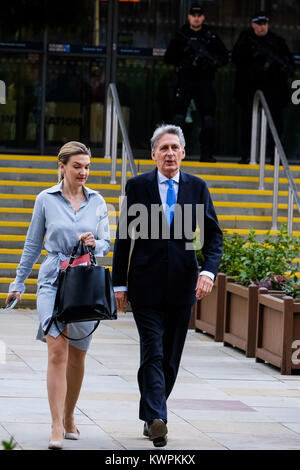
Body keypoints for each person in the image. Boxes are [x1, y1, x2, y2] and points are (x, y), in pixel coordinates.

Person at [112, 124, 223, 447]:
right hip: (144, 286)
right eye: (164, 148)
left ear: (184, 153)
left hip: (183, 285)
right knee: (153, 351)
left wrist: (208, 272)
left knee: (170, 356)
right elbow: (123, 238)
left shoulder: (197, 188)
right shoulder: (137, 186)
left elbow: (214, 236)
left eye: (175, 147)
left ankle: (151, 415)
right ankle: (159, 417)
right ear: (154, 154)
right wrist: (119, 283)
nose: (170, 153)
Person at [5, 141, 110, 449]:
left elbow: (107, 242)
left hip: (83, 280)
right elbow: (32, 244)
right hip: (52, 279)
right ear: (61, 166)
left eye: (87, 167)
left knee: (78, 354)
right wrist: (18, 281)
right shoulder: (45, 200)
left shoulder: (98, 201)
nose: (83, 172)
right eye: (77, 166)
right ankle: (55, 425)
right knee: (57, 351)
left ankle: (69, 415)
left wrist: (95, 243)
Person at [164, 2, 228, 162]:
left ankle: (206, 154)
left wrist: (208, 61)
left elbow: (223, 58)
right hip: (185, 80)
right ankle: (174, 154)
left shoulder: (210, 36)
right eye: (194, 16)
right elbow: (169, 57)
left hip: (204, 81)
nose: (196, 19)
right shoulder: (181, 34)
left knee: (207, 119)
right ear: (189, 17)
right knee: (178, 118)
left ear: (203, 17)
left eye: (199, 16)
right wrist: (185, 53)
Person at [232, 10, 295, 164]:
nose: (262, 27)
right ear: (253, 24)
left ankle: (274, 156)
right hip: (249, 88)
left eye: (264, 24)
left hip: (273, 88)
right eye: (259, 24)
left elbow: (288, 64)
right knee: (248, 123)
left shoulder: (277, 41)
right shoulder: (246, 39)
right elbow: (236, 59)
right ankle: (247, 155)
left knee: (275, 124)